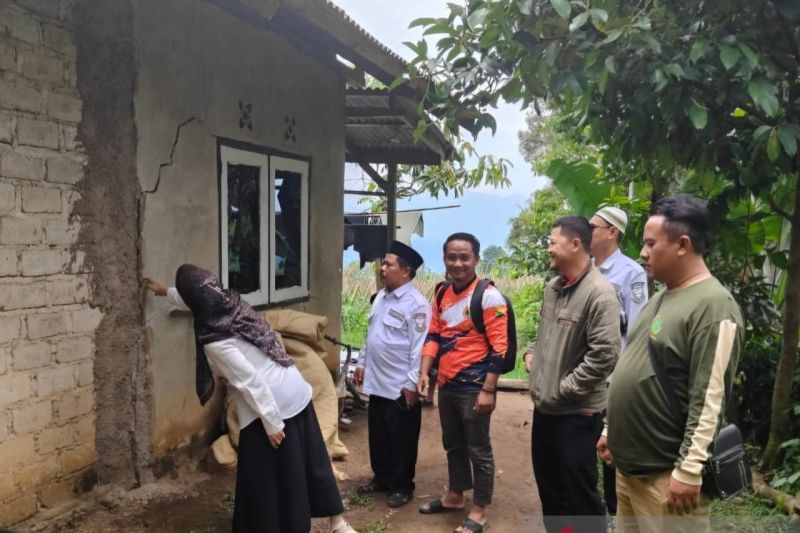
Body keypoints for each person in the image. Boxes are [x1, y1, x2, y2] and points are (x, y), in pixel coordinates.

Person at [144, 265, 356, 533]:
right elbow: (198, 297)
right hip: (295, 390)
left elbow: (249, 380)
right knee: (314, 461)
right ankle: (338, 523)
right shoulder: (229, 302)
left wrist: (272, 423)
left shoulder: (215, 339)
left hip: (271, 405)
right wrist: (165, 291)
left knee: (264, 478)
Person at [599, 194, 743, 533]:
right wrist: (610, 429)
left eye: (651, 244)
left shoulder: (714, 306)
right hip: (630, 471)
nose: (642, 252)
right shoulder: (660, 297)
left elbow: (710, 396)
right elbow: (632, 364)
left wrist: (689, 469)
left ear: (683, 245)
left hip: (665, 478)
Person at [523, 216, 620, 533]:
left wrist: (563, 389)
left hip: (576, 414)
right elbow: (543, 333)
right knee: (550, 489)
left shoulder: (599, 294)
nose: (548, 249)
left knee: (578, 494)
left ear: (575, 244)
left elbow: (604, 355)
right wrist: (531, 352)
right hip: (546, 409)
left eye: (553, 242)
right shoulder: (554, 288)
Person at [417, 232, 508, 533]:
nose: (457, 263)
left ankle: (479, 510)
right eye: (451, 257)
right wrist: (424, 372)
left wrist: (489, 390)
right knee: (453, 443)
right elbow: (434, 334)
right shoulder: (442, 293)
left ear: (476, 259)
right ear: (444, 259)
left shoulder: (489, 296)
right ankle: (455, 496)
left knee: (478, 448)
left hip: (474, 387)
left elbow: (499, 348)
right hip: (447, 384)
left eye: (464, 257)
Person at [353, 241, 431, 508]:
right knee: (379, 435)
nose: (382, 268)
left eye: (388, 264)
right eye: (382, 263)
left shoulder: (417, 305)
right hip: (377, 381)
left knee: (402, 439)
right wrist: (361, 363)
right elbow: (371, 335)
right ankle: (382, 478)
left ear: (406, 271)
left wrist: (412, 383)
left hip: (400, 385)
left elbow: (419, 348)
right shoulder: (381, 298)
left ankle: (402, 486)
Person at [589, 205, 649, 515]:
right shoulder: (586, 267)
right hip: (586, 372)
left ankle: (614, 511)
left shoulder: (631, 273)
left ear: (612, 232)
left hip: (613, 376)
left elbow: (636, 328)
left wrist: (625, 374)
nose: (587, 232)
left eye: (593, 227)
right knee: (585, 442)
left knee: (611, 446)